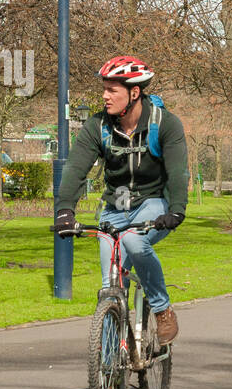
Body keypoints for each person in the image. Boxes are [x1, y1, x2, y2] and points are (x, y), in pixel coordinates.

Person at [51, 56, 190, 344]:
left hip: (153, 205)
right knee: (110, 285)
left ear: (134, 92)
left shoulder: (164, 124)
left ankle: (162, 310)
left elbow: (177, 171)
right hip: (114, 208)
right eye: (104, 88)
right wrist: (65, 210)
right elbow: (77, 167)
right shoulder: (98, 126)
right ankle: (109, 372)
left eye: (112, 90)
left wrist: (176, 211)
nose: (104, 96)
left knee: (133, 241)